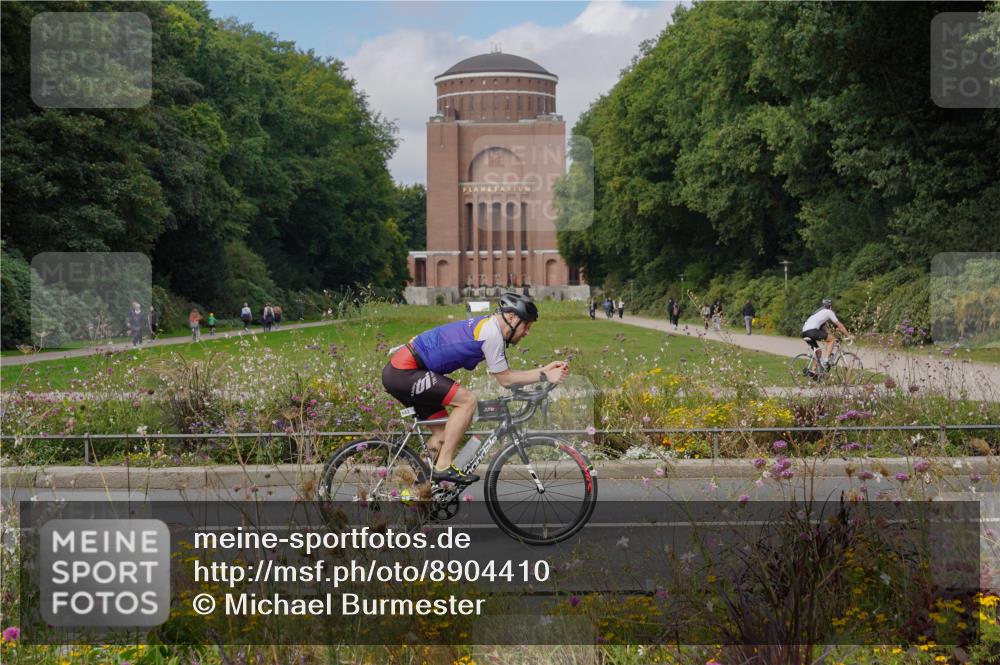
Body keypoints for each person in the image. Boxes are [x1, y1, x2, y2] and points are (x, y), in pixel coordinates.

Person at [382, 293, 568, 484]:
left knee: (443, 436)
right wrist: (544, 375)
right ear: (511, 318)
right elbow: (505, 379)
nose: (528, 332)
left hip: (406, 371)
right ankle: (443, 466)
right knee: (467, 400)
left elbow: (506, 375)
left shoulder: (489, 326)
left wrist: (543, 370)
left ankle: (415, 488)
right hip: (405, 371)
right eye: (526, 325)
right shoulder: (491, 333)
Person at [801, 298, 852, 369]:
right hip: (812, 331)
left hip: (804, 332)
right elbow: (840, 325)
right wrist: (849, 336)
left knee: (818, 351)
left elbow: (826, 331)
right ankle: (826, 360)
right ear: (830, 306)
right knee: (831, 340)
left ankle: (813, 371)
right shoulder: (829, 312)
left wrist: (834, 336)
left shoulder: (818, 313)